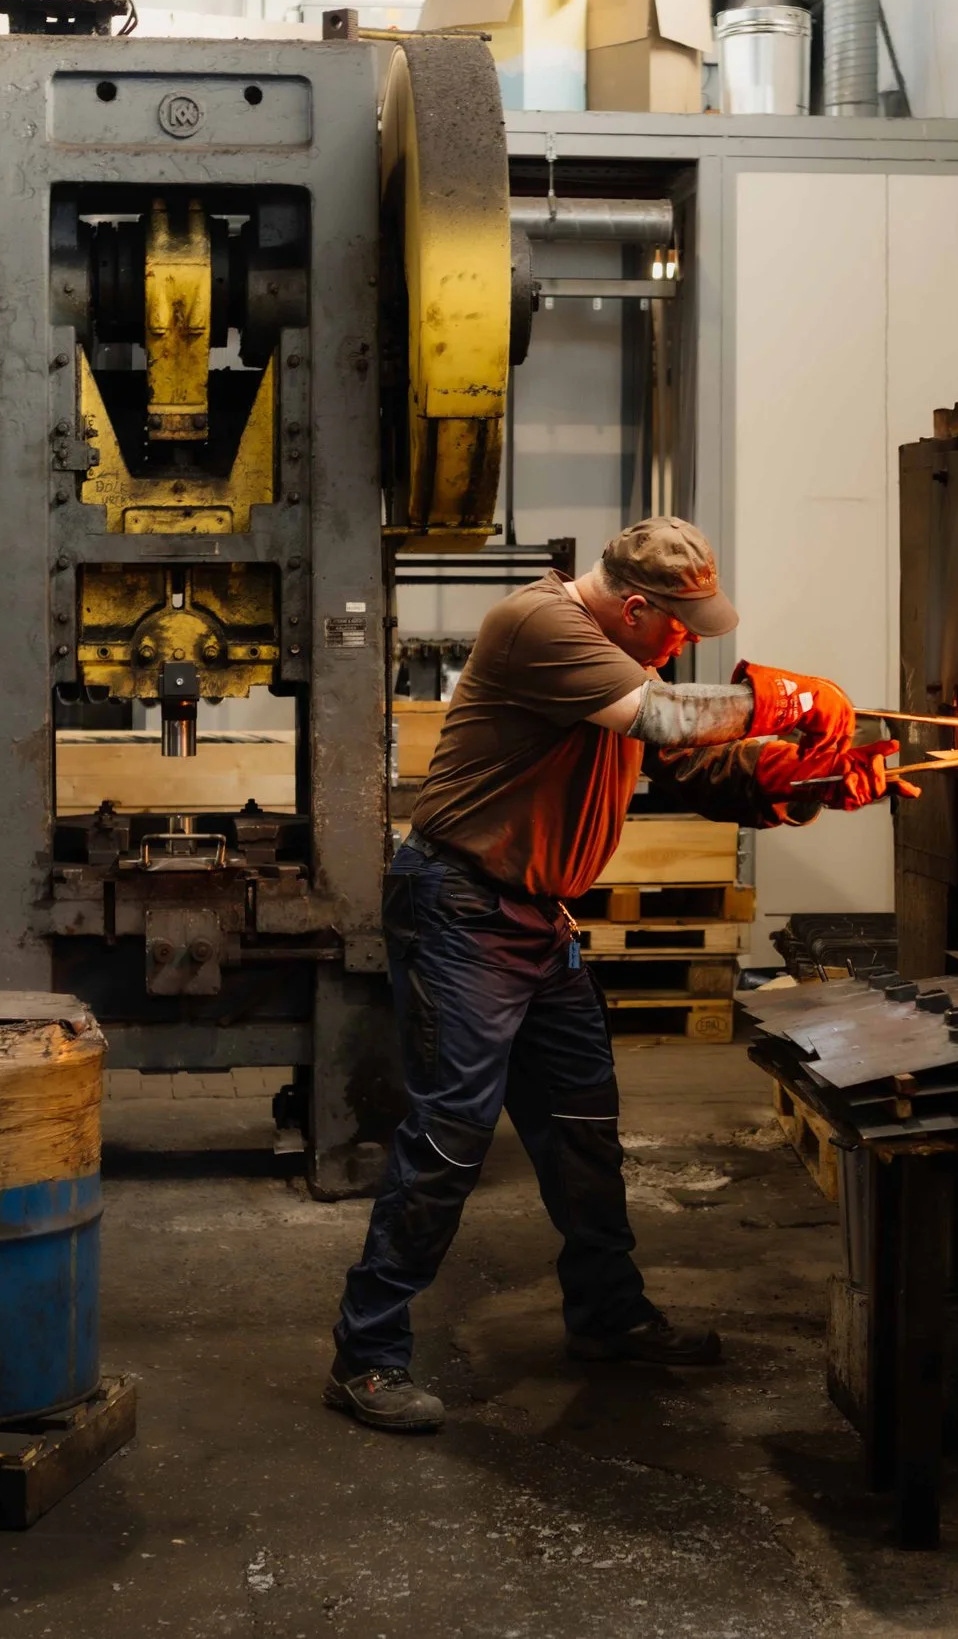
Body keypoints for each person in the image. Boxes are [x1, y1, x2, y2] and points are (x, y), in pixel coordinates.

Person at [326, 516, 917, 1431]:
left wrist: (813, 777)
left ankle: (607, 1315)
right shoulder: (539, 625)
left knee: (582, 1128)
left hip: (535, 922)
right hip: (462, 910)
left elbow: (697, 769)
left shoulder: (623, 666)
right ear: (636, 607)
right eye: (678, 626)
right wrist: (788, 703)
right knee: (450, 1138)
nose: (684, 643)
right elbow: (667, 717)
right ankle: (366, 1355)